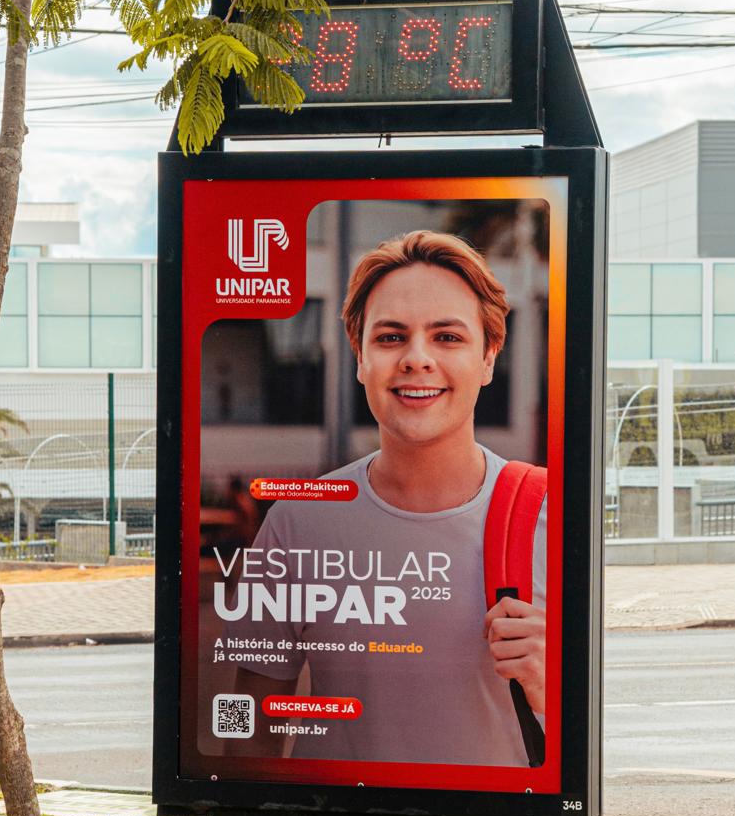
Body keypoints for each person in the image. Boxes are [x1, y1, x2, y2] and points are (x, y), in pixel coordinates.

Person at [222, 229, 546, 766]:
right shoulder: (300, 520)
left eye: (448, 337)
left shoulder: (552, 515)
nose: (417, 359)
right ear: (360, 356)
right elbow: (247, 726)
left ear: (489, 357)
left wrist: (551, 689)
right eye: (391, 337)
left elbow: (589, 757)